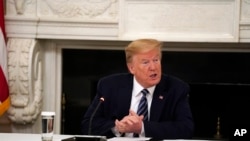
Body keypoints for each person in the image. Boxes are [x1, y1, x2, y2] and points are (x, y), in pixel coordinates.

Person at [81, 38, 194, 140]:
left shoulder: (176, 88)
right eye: (145, 62)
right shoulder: (109, 86)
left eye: (156, 60)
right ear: (132, 68)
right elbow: (88, 125)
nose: (153, 67)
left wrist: (142, 127)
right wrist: (118, 127)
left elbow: (186, 129)